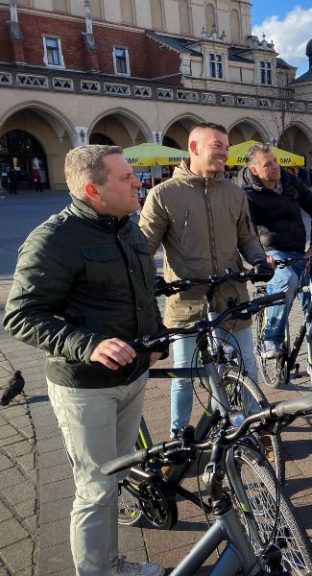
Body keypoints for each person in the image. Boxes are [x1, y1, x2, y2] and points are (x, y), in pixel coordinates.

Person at [3, 145, 165, 576]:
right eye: (126, 178)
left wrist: (157, 333)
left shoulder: (127, 227)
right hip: (85, 387)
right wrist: (88, 344)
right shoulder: (55, 238)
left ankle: (111, 563)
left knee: (115, 480)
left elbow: (142, 288)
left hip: (132, 377)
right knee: (96, 488)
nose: (138, 182)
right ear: (93, 189)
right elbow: (20, 316)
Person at [139, 123, 267, 437]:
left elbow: (247, 238)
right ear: (194, 147)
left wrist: (260, 259)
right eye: (217, 145)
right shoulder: (163, 195)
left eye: (226, 146)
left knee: (246, 369)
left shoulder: (235, 193)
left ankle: (253, 428)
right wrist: (148, 279)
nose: (224, 152)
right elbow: (142, 248)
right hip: (186, 304)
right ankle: (177, 435)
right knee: (183, 376)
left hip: (232, 300)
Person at [238, 143, 312, 359]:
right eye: (268, 164)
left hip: (299, 251)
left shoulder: (290, 182)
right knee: (286, 280)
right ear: (254, 170)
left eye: (275, 161)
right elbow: (246, 230)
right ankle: (271, 339)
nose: (275, 167)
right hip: (272, 251)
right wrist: (260, 256)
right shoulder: (246, 193)